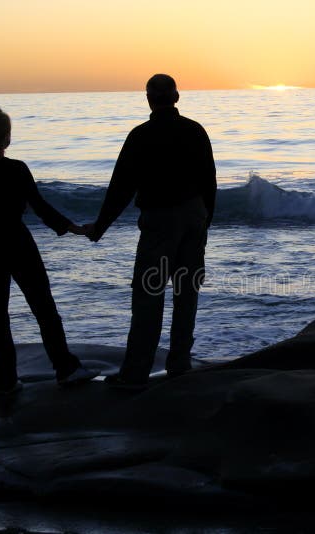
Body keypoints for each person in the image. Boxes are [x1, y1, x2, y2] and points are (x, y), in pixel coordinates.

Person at [84, 74, 216, 388]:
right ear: (177, 97)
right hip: (194, 216)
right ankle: (180, 363)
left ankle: (136, 373)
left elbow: (121, 188)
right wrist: (205, 219)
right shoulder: (195, 130)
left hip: (159, 222)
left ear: (148, 98)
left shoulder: (140, 136)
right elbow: (209, 179)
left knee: (148, 295)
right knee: (187, 293)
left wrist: (100, 226)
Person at [0, 104, 99, 395]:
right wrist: (73, 227)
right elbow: (40, 208)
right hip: (17, 244)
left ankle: (4, 379)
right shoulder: (16, 169)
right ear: (7, 137)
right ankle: (66, 368)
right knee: (44, 308)